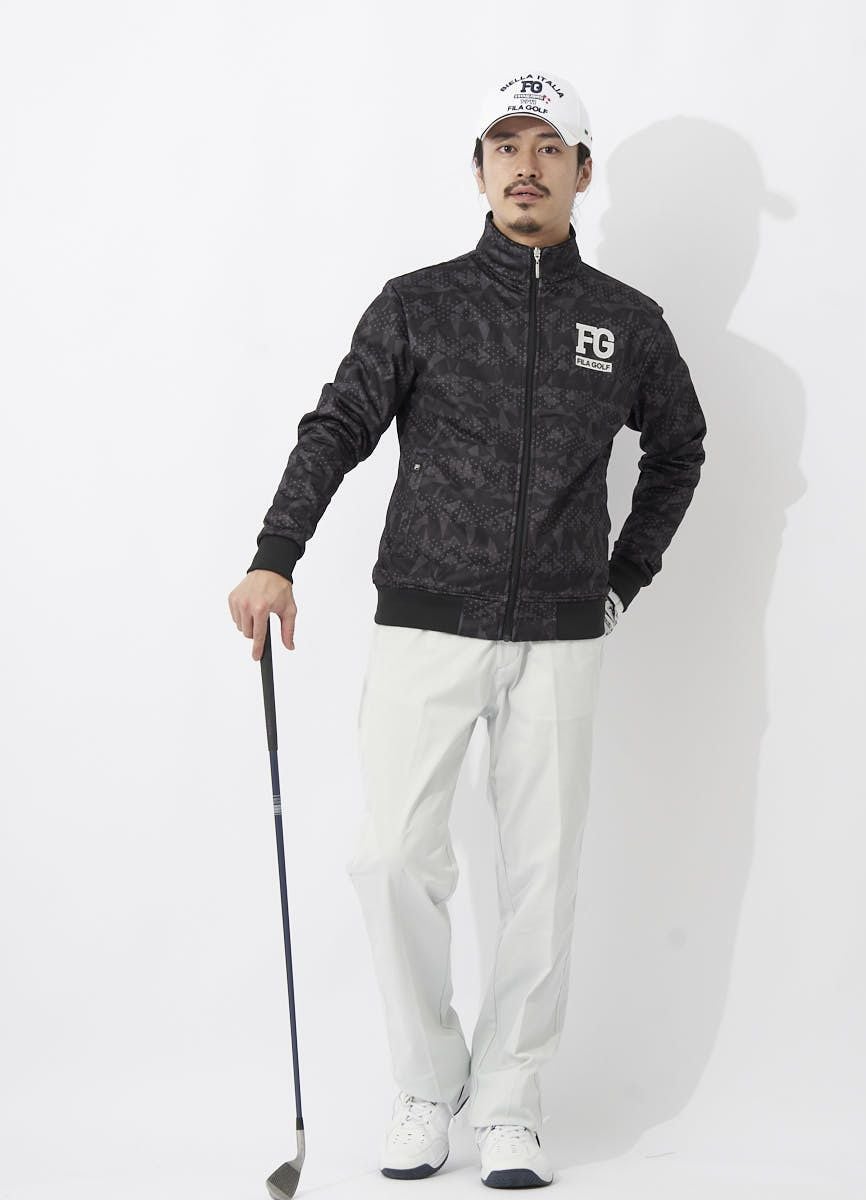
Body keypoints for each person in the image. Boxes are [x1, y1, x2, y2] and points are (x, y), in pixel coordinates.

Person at [228, 70, 706, 1189]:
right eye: (504, 146)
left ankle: (512, 1100)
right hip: (426, 622)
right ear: (479, 170)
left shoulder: (626, 322)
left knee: (541, 875)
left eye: (548, 147)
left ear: (583, 172)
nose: (525, 166)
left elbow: (680, 450)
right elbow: (337, 425)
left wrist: (620, 580)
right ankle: (425, 1081)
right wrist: (274, 554)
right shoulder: (419, 304)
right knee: (391, 856)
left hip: (560, 637)